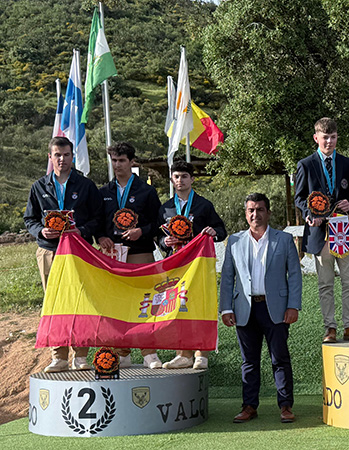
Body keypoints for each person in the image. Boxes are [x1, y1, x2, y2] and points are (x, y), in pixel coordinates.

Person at [219, 193, 302, 423]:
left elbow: (295, 275)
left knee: (280, 359)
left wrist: (293, 306)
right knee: (249, 361)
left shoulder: (284, 240)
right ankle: (249, 406)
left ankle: (285, 406)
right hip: (244, 309)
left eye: (260, 209)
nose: (255, 214)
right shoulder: (234, 241)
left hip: (276, 308)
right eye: (251, 210)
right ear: (246, 214)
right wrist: (226, 308)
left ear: (268, 212)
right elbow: (227, 277)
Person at [24, 137, 103, 373]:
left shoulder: (86, 185)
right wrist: (41, 230)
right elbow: (29, 219)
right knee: (54, 302)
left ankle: (80, 356)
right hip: (49, 251)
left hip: (79, 252)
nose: (62, 159)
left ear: (72, 157)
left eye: (66, 155)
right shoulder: (39, 186)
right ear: (50, 157)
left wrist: (82, 230)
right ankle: (58, 356)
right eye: (57, 155)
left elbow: (98, 218)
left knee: (80, 300)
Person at [294, 118, 349, 344]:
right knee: (326, 283)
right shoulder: (305, 164)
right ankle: (330, 328)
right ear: (316, 138)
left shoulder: (346, 163)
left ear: (337, 138)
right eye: (325, 137)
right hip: (320, 234)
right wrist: (309, 213)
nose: (329, 141)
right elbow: (299, 198)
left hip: (344, 230)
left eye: (333, 137)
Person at [96, 142, 162, 369]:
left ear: (132, 162)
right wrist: (100, 236)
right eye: (114, 160)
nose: (117, 165)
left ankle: (149, 353)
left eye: (122, 160)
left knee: (143, 302)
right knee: (116, 304)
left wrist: (141, 231)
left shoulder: (146, 191)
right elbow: (97, 222)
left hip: (140, 252)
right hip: (112, 255)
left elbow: (158, 223)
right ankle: (122, 353)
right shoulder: (103, 192)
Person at [156, 160, 227, 369]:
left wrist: (213, 232)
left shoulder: (204, 205)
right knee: (178, 307)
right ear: (172, 180)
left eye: (185, 176)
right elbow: (158, 237)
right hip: (176, 265)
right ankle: (183, 354)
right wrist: (164, 241)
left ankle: (201, 353)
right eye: (176, 177)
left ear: (192, 179)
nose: (180, 180)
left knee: (199, 305)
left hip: (199, 265)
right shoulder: (166, 208)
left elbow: (221, 230)